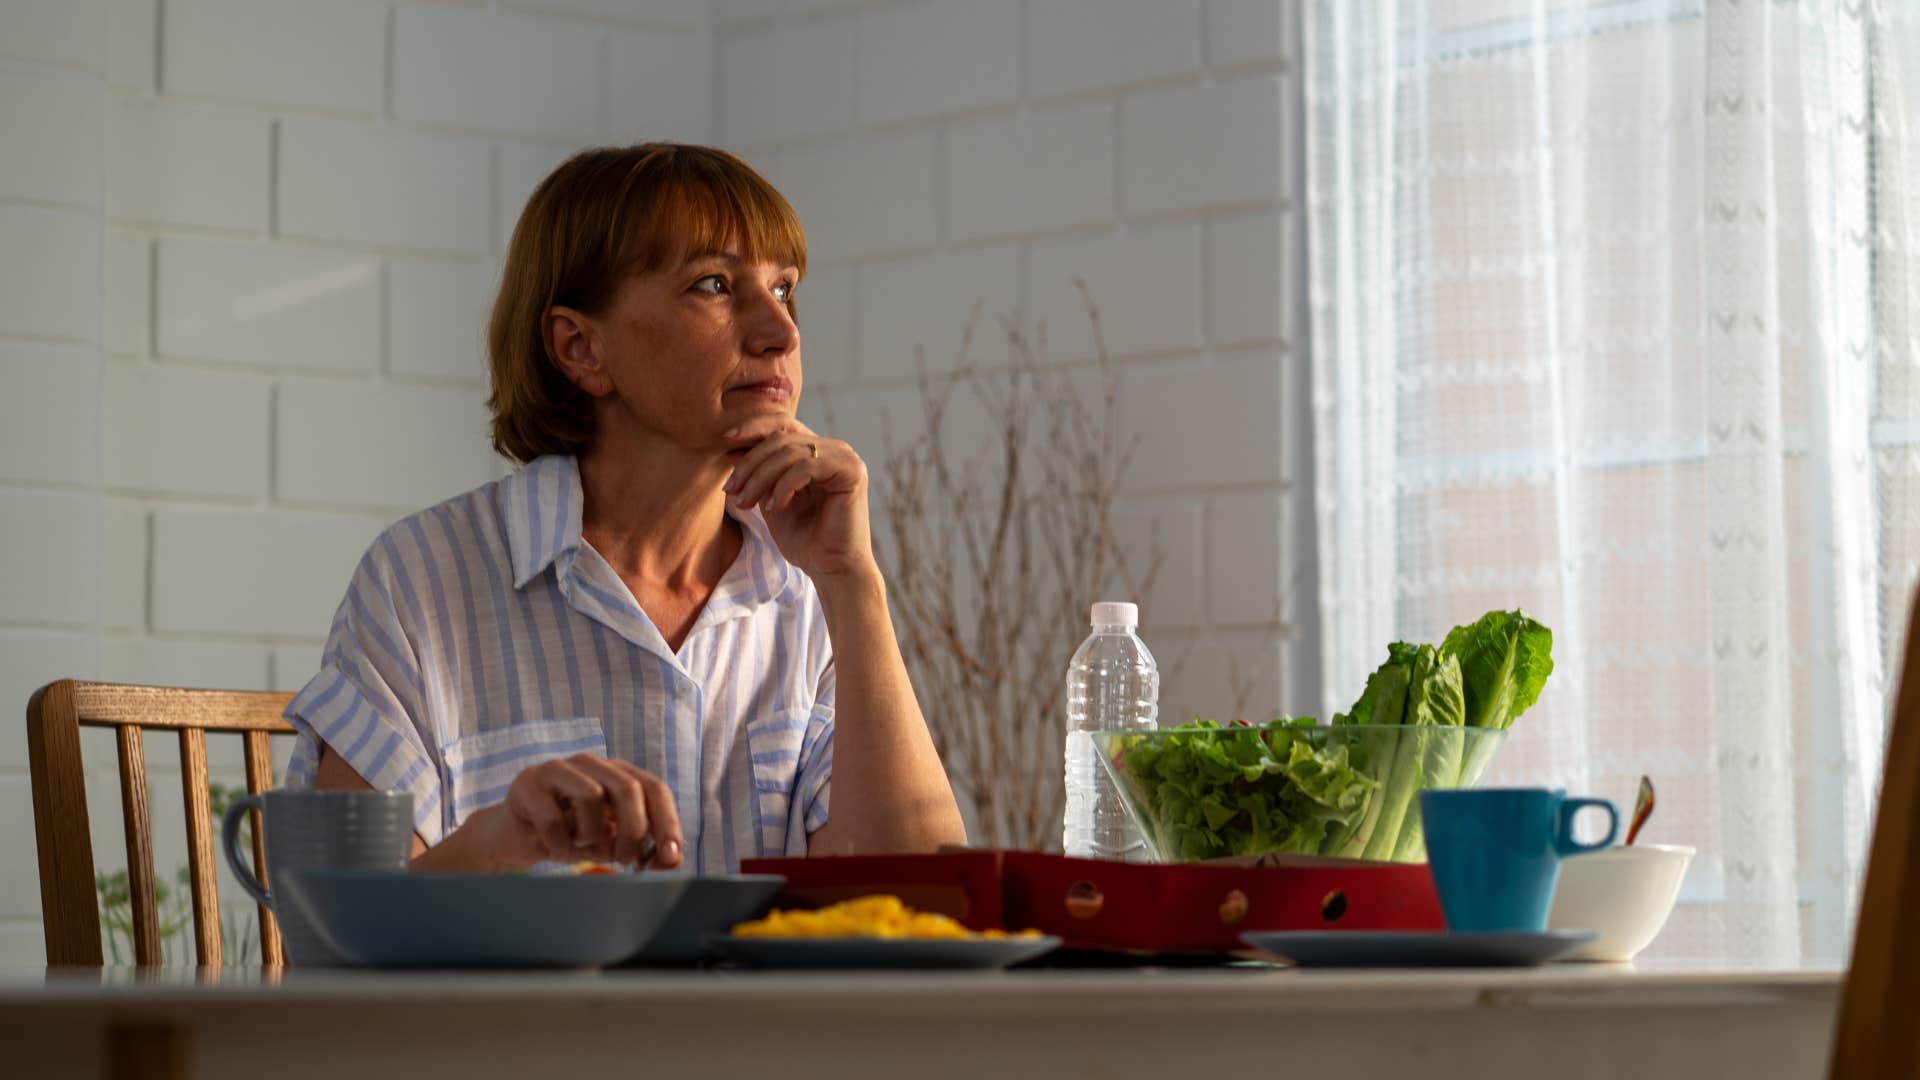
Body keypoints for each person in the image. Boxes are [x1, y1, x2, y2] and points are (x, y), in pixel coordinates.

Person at [281, 143, 967, 873]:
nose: (781, 332)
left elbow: (924, 895)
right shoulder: (419, 578)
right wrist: (500, 843)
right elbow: (332, 950)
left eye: (786, 289)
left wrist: (853, 583)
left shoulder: (809, 599)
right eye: (713, 284)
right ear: (581, 349)